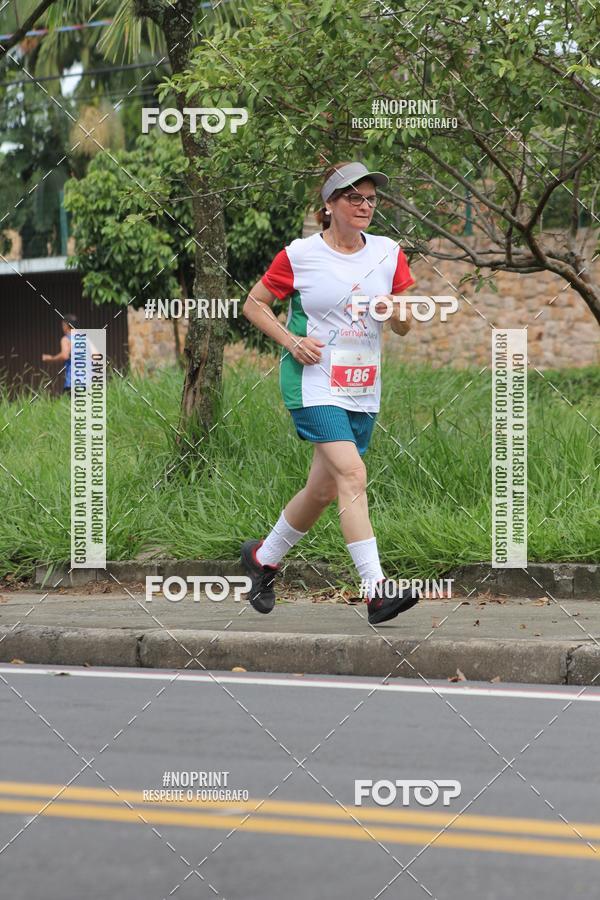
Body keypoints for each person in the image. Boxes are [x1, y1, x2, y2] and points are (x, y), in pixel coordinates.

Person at [240, 161, 418, 626]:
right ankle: (375, 591)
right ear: (330, 205)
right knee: (354, 476)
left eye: (371, 199)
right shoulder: (300, 255)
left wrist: (395, 310)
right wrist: (291, 341)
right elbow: (253, 304)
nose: (364, 206)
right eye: (353, 198)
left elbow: (403, 324)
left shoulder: (388, 252)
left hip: (363, 388)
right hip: (313, 382)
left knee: (322, 490)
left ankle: (263, 558)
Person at [42, 313, 78, 395]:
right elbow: (96, 355)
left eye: (63, 325)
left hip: (72, 383)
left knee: (68, 407)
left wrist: (51, 358)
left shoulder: (66, 339)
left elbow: (64, 355)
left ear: (66, 325)